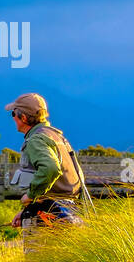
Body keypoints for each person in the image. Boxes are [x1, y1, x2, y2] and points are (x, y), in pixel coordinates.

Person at [5, 93, 85, 230]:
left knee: (38, 252)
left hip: (47, 219)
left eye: (13, 114)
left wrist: (30, 196)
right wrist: (27, 212)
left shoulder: (36, 139)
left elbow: (50, 168)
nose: (13, 118)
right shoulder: (56, 136)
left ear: (23, 118)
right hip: (67, 212)